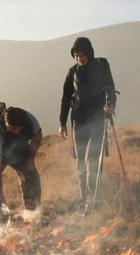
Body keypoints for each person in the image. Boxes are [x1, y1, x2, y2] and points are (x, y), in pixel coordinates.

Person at [58, 37, 117, 212]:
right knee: (80, 162)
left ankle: (95, 197)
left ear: (89, 53)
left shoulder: (101, 66)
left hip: (97, 119)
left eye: (82, 55)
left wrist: (110, 104)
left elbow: (110, 88)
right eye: (76, 56)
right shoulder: (72, 72)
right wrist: (62, 122)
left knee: (94, 159)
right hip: (78, 121)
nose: (79, 59)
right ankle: (84, 197)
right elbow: (65, 98)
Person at [0, 106, 42, 212]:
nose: (15, 131)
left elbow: (37, 139)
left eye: (18, 129)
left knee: (30, 175)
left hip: (19, 151)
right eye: (11, 128)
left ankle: (33, 211)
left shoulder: (31, 121)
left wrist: (30, 158)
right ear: (5, 123)